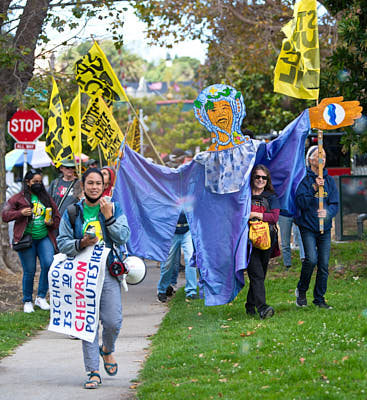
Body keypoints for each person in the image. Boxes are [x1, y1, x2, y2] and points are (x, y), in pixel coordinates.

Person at [57, 168, 130, 389]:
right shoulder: (72, 212)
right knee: (88, 324)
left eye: (98, 183)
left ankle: (107, 349)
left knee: (112, 321)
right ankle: (93, 371)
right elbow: (62, 243)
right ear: (83, 185)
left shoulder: (113, 208)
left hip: (107, 272)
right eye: (90, 183)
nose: (94, 187)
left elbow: (124, 236)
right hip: (81, 275)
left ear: (103, 186)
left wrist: (108, 218)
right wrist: (81, 244)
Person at [2, 169, 60, 313]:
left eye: (40, 182)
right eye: (35, 182)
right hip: (26, 239)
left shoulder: (46, 197)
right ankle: (27, 300)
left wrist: (51, 223)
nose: (38, 185)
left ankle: (41, 297)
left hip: (44, 237)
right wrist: (20, 213)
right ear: (27, 182)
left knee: (48, 264)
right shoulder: (18, 198)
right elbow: (5, 214)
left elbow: (57, 217)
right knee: (30, 270)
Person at [294, 146, 339, 309]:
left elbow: (334, 203)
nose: (322, 159)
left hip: (324, 229)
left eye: (325, 156)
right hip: (307, 226)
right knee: (311, 259)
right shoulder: (303, 178)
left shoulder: (329, 181)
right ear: (310, 160)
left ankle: (319, 299)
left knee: (324, 264)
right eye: (318, 155)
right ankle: (301, 290)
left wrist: (327, 213)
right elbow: (300, 202)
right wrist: (313, 187)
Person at [245, 165, 280, 319]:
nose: (260, 180)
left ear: (267, 180)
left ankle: (250, 305)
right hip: (248, 240)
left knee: (260, 273)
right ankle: (263, 308)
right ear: (252, 178)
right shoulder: (244, 195)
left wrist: (255, 214)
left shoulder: (271, 197)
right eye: (257, 177)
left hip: (267, 239)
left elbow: (274, 217)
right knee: (256, 273)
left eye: (263, 178)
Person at [157, 211, 198, 302]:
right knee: (168, 262)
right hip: (171, 231)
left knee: (190, 259)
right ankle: (162, 290)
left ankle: (191, 291)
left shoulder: (189, 196)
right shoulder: (168, 196)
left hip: (187, 230)